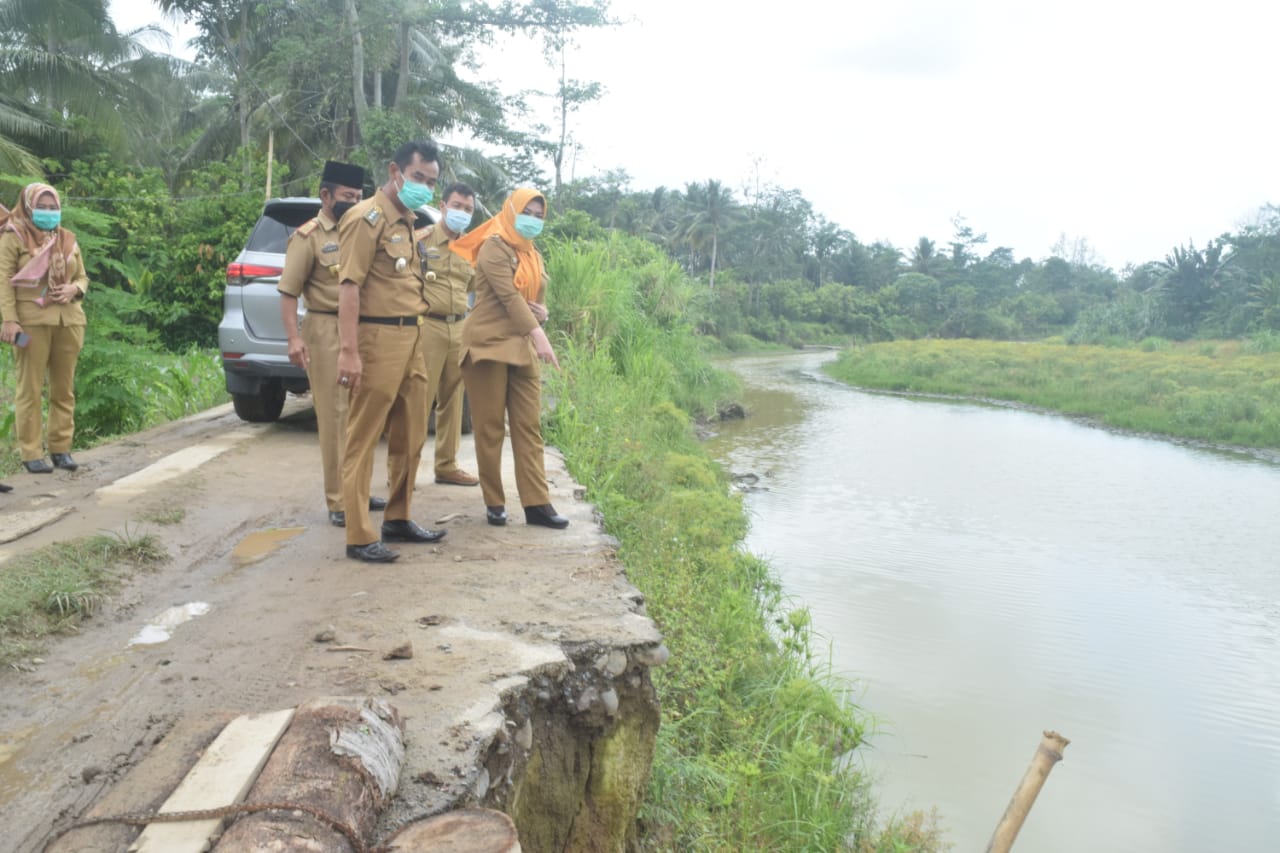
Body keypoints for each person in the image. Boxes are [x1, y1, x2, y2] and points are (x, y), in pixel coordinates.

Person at [336, 141, 448, 563]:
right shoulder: (366, 219)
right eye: (418, 178)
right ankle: (359, 534)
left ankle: (397, 516)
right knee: (362, 438)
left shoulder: (407, 221)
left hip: (413, 337)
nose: (424, 187)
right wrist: (349, 351)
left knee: (412, 433)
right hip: (377, 339)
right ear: (395, 171)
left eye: (431, 182)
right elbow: (349, 287)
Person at [277, 160, 389, 527]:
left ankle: (357, 489)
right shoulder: (308, 237)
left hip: (362, 329)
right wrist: (294, 338)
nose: (352, 202)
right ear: (325, 195)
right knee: (335, 415)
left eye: (358, 197)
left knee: (362, 415)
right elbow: (289, 292)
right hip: (325, 331)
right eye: (346, 196)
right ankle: (339, 500)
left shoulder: (363, 229)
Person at [452, 187, 568, 530]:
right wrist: (540, 335)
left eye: (538, 215)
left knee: (529, 428)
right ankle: (495, 501)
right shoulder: (493, 246)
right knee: (489, 430)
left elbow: (532, 302)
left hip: (522, 348)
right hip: (487, 345)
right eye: (526, 212)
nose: (532, 220)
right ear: (510, 210)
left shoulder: (533, 254)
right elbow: (507, 297)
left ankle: (537, 503)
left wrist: (543, 316)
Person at [0, 183, 88, 474]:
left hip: (69, 321)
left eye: (53, 208)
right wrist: (9, 320)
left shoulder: (68, 239)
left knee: (64, 390)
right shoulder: (13, 236)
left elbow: (84, 278)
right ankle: (31, 453)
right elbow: (3, 281)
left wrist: (75, 287)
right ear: (27, 206)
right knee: (30, 389)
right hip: (31, 323)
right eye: (42, 207)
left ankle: (61, 450)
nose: (48, 213)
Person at [418, 182, 479, 487]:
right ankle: (402, 466)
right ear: (442, 206)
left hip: (459, 325)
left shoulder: (472, 248)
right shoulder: (422, 240)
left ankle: (447, 465)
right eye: (457, 206)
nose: (462, 213)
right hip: (427, 325)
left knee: (453, 399)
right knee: (418, 398)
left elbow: (471, 290)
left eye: (468, 209)